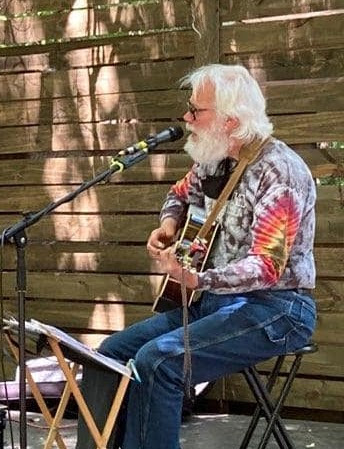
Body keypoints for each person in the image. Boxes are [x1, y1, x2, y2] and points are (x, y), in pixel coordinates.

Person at [76, 64, 317, 449]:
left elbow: (267, 266)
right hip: (216, 302)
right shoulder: (215, 161)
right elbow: (178, 195)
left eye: (195, 111)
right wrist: (169, 225)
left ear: (230, 120)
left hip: (277, 308)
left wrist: (200, 279)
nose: (186, 118)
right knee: (109, 355)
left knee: (158, 361)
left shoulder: (280, 171)